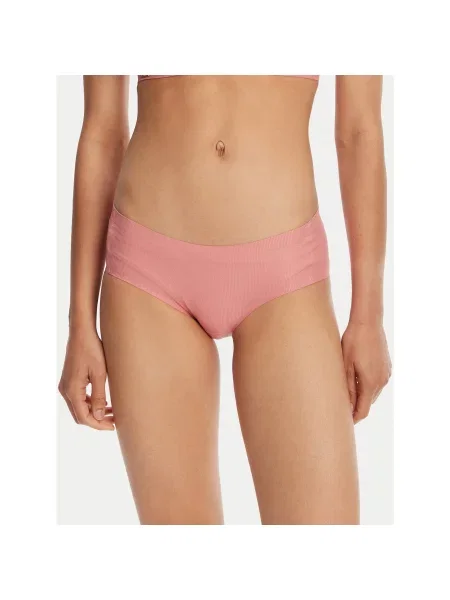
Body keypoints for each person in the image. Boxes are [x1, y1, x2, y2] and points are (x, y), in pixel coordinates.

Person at [58, 75, 391, 525]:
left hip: (285, 274)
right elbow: (102, 129)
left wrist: (368, 317)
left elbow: (359, 129)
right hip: (148, 274)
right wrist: (80, 321)